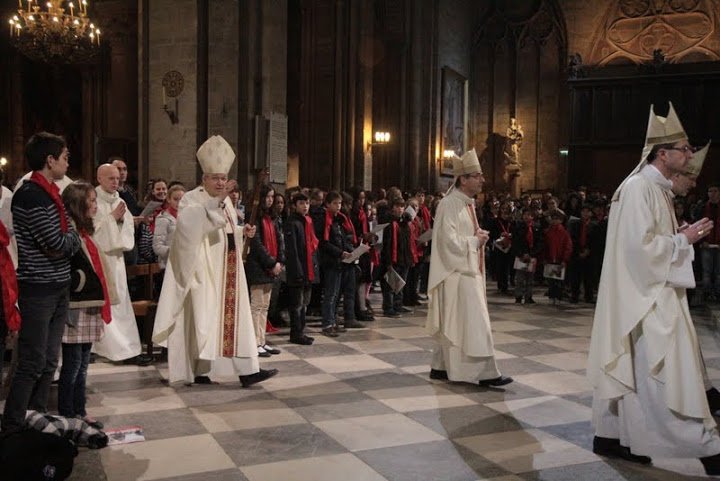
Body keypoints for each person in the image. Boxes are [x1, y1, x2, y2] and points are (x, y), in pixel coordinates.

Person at [587, 103, 720, 475]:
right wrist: (684, 242)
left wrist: (676, 238)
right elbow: (637, 252)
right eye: (685, 147)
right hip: (644, 299)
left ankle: (611, 436)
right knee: (664, 372)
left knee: (635, 373)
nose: (690, 155)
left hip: (652, 291)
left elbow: (647, 242)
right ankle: (704, 446)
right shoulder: (638, 188)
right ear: (663, 154)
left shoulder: (656, 188)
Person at [152, 135, 277, 387]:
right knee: (203, 323)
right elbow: (189, 228)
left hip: (228, 272)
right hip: (203, 274)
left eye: (223, 178)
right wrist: (218, 201)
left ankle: (248, 370)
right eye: (216, 178)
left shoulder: (227, 203)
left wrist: (243, 233)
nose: (221, 183)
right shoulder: (191, 198)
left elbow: (227, 231)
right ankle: (200, 371)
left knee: (235, 322)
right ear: (204, 179)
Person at [2, 132, 81, 433]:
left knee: (50, 360)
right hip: (39, 289)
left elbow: (61, 241)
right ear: (50, 160)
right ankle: (12, 425)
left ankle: (35, 419)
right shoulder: (30, 195)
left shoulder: (51, 192)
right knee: (32, 361)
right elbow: (58, 243)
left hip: (58, 284)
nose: (67, 161)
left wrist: (69, 235)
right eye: (64, 156)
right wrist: (74, 229)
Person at [426, 148, 512, 388]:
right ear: (463, 179)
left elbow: (461, 235)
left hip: (467, 271)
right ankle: (485, 373)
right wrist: (475, 241)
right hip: (458, 275)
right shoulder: (449, 204)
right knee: (473, 325)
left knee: (459, 324)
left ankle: (441, 366)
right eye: (477, 175)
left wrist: (478, 236)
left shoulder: (466, 203)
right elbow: (447, 242)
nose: (483, 179)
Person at [58, 181, 112, 428]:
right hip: (76, 305)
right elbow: (66, 266)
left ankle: (80, 411)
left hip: (89, 303)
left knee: (83, 365)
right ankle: (68, 414)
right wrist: (78, 282)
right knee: (72, 365)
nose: (95, 204)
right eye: (90, 200)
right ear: (78, 204)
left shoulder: (84, 231)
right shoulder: (68, 232)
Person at [92, 164, 147, 365]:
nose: (116, 182)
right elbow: (92, 234)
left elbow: (127, 233)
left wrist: (121, 221)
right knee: (104, 304)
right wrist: (112, 219)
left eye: (117, 178)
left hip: (116, 262)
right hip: (99, 261)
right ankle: (102, 348)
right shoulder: (93, 200)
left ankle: (127, 349)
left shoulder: (121, 200)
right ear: (99, 178)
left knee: (121, 304)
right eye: (111, 179)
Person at [244, 184, 284, 357]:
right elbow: (256, 244)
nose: (270, 200)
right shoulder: (253, 216)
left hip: (271, 266)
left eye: (271, 196)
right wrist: (271, 263)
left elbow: (278, 239)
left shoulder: (272, 217)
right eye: (267, 196)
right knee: (256, 306)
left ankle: (262, 340)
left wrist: (279, 261)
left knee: (265, 306)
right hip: (258, 266)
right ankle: (254, 342)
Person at [283, 193, 318, 345]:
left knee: (305, 303)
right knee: (296, 304)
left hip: (309, 268)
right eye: (302, 203)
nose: (305, 206)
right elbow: (293, 250)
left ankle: (302, 331)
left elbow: (312, 245)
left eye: (307, 203)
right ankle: (296, 333)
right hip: (298, 269)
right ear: (294, 205)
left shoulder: (308, 221)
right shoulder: (292, 222)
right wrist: (297, 270)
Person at [152, 184, 185, 269]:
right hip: (168, 264)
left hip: (184, 262)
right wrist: (174, 250)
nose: (179, 203)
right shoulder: (163, 219)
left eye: (182, 199)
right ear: (168, 199)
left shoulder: (186, 217)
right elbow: (157, 246)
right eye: (176, 199)